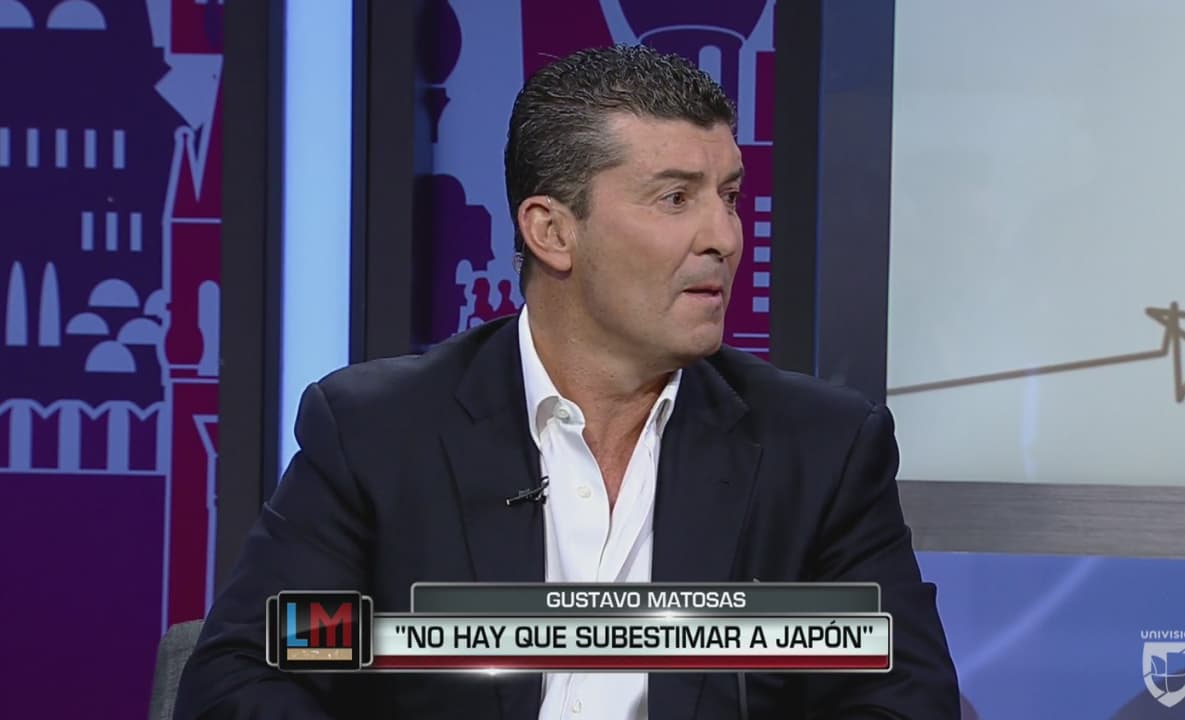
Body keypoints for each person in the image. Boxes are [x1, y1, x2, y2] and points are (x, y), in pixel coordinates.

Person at [175, 44, 959, 719]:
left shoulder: (818, 449)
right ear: (551, 231)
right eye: (675, 198)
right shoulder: (379, 434)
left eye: (728, 197)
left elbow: (902, 698)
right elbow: (249, 677)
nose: (723, 237)